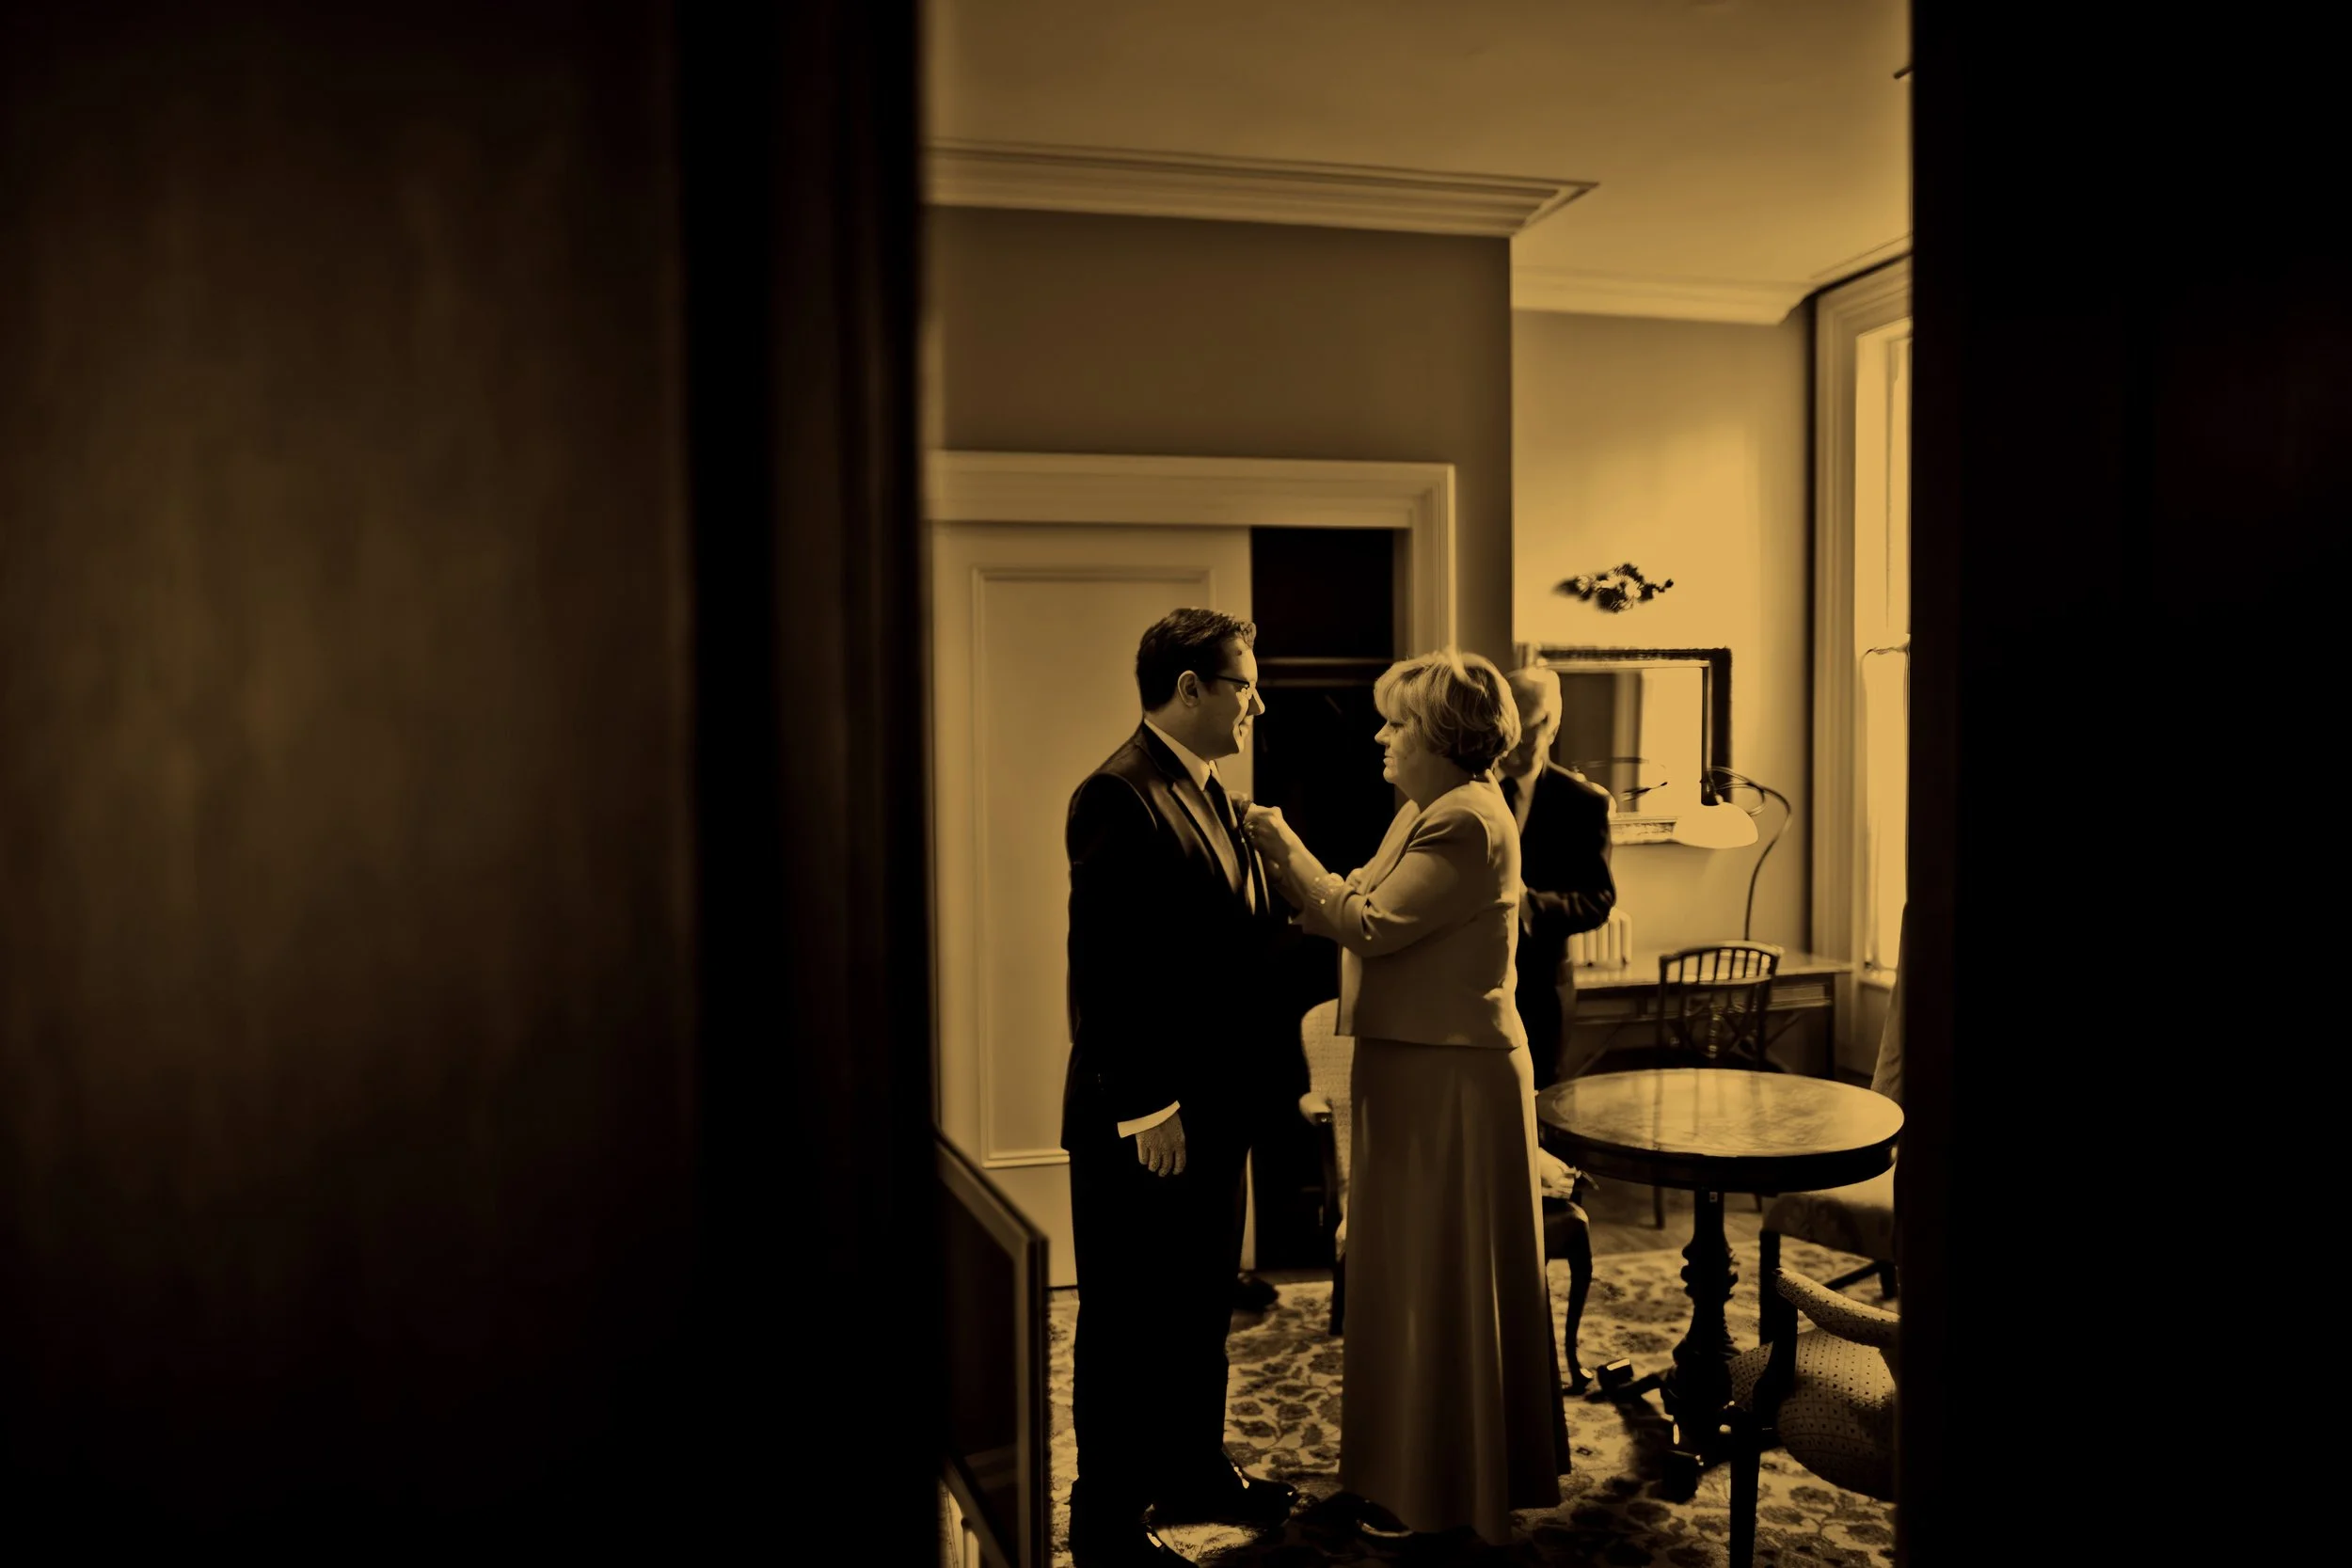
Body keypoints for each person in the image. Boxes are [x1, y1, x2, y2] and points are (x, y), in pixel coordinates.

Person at [1244, 649, 1567, 1549]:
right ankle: (1401, 1474)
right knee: (1406, 1278)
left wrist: (1282, 845)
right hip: (1413, 1067)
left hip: (1452, 1078)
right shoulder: (1424, 813)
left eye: (1396, 723)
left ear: (1440, 736)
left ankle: (1445, 1491)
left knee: (1440, 1280)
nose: (1381, 737)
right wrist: (1323, 888)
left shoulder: (1465, 821)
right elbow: (1353, 896)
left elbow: (1368, 923)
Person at [1060, 608, 1312, 1568]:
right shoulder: (1118, 792)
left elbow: (1229, 951)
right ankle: (1105, 1521)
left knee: (1198, 1302)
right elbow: (1107, 962)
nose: (1257, 699)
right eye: (1244, 682)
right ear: (1192, 686)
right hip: (1148, 1114)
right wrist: (1144, 1103)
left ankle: (1195, 1467)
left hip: (1221, 1104)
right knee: (1129, 1316)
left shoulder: (1213, 793)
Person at [1498, 666, 1617, 1088]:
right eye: (1508, 725)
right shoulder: (1471, 793)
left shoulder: (1583, 804)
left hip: (1542, 988)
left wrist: (1533, 905)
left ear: (1551, 724)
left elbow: (1598, 899)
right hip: (1473, 989)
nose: (1512, 743)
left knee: (1544, 1104)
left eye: (1526, 728)